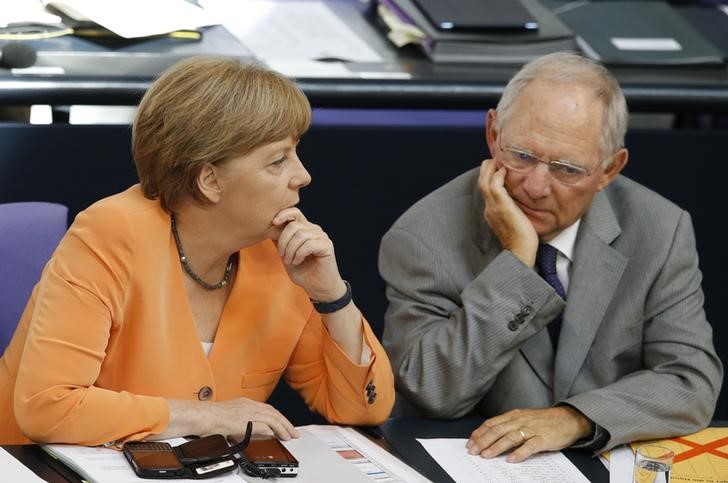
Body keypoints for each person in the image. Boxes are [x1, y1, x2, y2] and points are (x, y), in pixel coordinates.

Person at [0, 57, 394, 446]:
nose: (303, 175)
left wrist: (331, 297)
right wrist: (204, 416)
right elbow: (49, 407)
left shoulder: (279, 253)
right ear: (208, 180)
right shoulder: (110, 235)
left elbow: (362, 409)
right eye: (278, 160)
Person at [379, 52, 722, 461]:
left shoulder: (660, 229)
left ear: (610, 170)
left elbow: (690, 380)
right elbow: (432, 391)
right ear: (493, 133)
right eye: (522, 156)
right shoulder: (424, 235)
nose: (536, 187)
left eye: (567, 169)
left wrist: (575, 419)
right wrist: (517, 262)